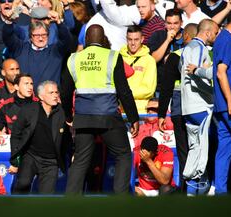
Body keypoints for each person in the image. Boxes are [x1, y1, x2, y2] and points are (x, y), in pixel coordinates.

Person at [62, 24, 139, 194]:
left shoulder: (74, 59)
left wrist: (68, 116)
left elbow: (65, 92)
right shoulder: (112, 56)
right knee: (123, 154)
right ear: (102, 39)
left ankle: (70, 202)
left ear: (87, 39)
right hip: (108, 116)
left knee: (81, 160)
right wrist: (133, 118)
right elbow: (124, 91)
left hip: (83, 117)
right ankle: (120, 200)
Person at [180, 19, 219, 195]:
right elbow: (192, 72)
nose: (217, 36)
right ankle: (200, 192)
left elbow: (183, 70)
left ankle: (190, 194)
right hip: (200, 105)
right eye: (216, 32)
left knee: (195, 150)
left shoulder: (186, 49)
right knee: (202, 153)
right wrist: (212, 91)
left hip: (188, 106)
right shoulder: (199, 48)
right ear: (208, 32)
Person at [157, 23, 198, 192]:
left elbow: (166, 87)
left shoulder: (176, 56)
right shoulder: (208, 54)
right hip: (203, 112)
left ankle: (185, 190)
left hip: (180, 110)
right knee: (202, 150)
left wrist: (161, 114)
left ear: (186, 37)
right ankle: (204, 186)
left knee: (184, 152)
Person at [10, 80, 67, 194]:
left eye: (56, 92)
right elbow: (16, 134)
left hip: (51, 161)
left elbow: (68, 136)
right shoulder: (28, 110)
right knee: (23, 184)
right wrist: (15, 158)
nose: (55, 95)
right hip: (31, 156)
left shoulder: (62, 112)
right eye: (51, 93)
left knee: (46, 196)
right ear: (41, 96)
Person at [212, 6, 231, 195]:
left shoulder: (229, 40)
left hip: (226, 106)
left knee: (225, 150)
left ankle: (221, 194)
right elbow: (221, 73)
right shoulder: (227, 40)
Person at [2, 11, 71, 91]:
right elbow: (7, 37)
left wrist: (59, 22)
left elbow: (66, 39)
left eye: (44, 35)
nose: (41, 38)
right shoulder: (21, 49)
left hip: (49, 99)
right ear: (30, 37)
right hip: (27, 99)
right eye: (37, 35)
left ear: (48, 35)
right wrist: (9, 22)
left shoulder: (55, 51)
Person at [120, 25, 157, 114]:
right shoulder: (119, 58)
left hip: (141, 112)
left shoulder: (149, 60)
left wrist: (124, 94)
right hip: (122, 111)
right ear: (126, 39)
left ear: (142, 39)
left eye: (136, 39)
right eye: (130, 39)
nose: (133, 43)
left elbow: (149, 89)